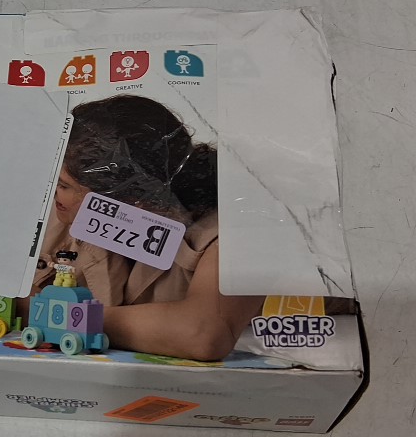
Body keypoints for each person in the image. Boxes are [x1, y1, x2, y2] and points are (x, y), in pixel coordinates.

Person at [26, 94, 262, 361]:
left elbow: (202, 333)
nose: (54, 193)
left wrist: (65, 319)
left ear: (129, 201)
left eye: (65, 186)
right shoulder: (61, 213)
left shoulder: (237, 230)